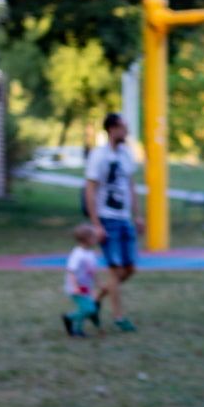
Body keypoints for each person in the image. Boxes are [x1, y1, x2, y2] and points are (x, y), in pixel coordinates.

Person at [82, 112, 140, 332]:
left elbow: (131, 186)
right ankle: (118, 317)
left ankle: (95, 299)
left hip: (124, 218)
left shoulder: (127, 154)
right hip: (107, 219)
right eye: (123, 127)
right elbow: (90, 190)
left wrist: (138, 215)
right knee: (115, 271)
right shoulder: (99, 156)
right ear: (112, 129)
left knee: (130, 269)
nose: (126, 132)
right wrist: (96, 224)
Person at [62, 223, 104, 337]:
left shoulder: (90, 253)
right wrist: (75, 287)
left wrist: (99, 283)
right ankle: (70, 320)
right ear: (87, 239)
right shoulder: (77, 254)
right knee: (89, 309)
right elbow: (71, 271)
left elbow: (93, 271)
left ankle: (76, 327)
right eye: (94, 237)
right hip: (76, 288)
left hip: (85, 287)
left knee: (86, 308)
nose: (97, 239)